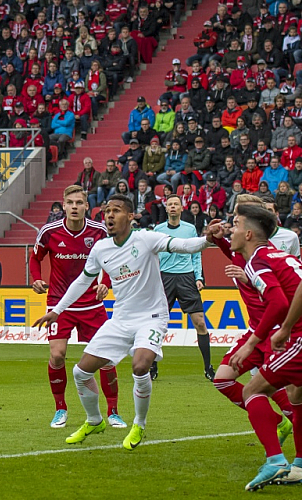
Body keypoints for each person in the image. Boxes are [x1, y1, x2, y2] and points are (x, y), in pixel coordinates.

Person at [34, 195, 214, 450]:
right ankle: (95, 420)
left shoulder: (146, 238)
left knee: (140, 367)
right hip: (121, 318)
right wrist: (58, 310)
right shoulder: (101, 248)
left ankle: (138, 424)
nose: (109, 215)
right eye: (107, 211)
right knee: (80, 371)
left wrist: (208, 238)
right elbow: (83, 281)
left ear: (130, 217)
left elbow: (185, 245)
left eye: (116, 211)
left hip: (152, 317)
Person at [206, 196, 295, 483]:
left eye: (234, 222)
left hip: (274, 332)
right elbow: (237, 256)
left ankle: (276, 455)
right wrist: (219, 240)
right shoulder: (254, 255)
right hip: (261, 329)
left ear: (249, 230)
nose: (229, 226)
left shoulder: (259, 259)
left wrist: (254, 341)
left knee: (259, 392)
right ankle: (275, 421)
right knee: (223, 379)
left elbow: (277, 299)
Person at [30, 186, 126, 429]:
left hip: (91, 304)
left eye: (79, 203)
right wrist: (36, 278)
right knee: (57, 354)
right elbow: (35, 257)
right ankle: (60, 408)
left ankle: (113, 411)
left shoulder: (99, 232)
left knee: (106, 359)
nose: (74, 207)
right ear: (63, 206)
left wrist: (106, 283)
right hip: (58, 304)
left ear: (86, 207)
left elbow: (113, 259)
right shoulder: (49, 232)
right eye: (70, 202)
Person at [153, 195, 213, 381]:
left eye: (175, 204)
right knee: (156, 325)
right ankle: (152, 365)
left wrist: (199, 277)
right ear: (166, 207)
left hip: (187, 278)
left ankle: (208, 367)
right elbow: (152, 256)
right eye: (169, 204)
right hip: (165, 278)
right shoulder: (158, 230)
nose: (172, 207)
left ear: (181, 208)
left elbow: (196, 254)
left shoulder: (190, 229)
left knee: (200, 323)